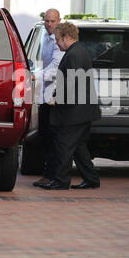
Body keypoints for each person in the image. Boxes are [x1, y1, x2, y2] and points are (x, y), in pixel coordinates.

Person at [39, 22, 101, 190]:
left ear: (66, 38)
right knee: (79, 147)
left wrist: (57, 98)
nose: (57, 43)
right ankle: (91, 179)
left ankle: (61, 180)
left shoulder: (73, 54)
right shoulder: (78, 52)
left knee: (63, 145)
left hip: (74, 111)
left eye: (58, 40)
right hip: (82, 110)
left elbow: (71, 81)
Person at [32, 8, 64, 187]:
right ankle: (48, 173)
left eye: (52, 21)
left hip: (54, 95)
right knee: (44, 134)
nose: (49, 24)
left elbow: (56, 66)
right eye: (47, 21)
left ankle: (52, 175)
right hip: (44, 92)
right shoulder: (44, 35)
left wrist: (37, 74)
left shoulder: (59, 41)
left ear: (59, 20)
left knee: (52, 137)